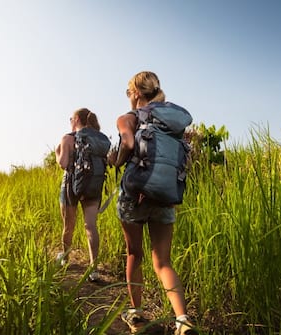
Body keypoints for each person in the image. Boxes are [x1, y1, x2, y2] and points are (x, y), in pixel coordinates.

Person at [107, 71, 198, 335]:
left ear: (135, 93)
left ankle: (136, 315)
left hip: (135, 195)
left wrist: (117, 160)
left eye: (128, 93)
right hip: (165, 195)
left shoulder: (129, 118)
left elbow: (127, 142)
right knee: (163, 262)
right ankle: (182, 319)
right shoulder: (171, 122)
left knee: (135, 254)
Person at [55, 107, 109, 282]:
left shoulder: (68, 138)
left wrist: (57, 154)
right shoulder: (97, 139)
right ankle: (94, 269)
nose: (70, 121)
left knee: (68, 225)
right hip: (93, 184)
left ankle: (65, 257)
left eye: (71, 118)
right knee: (91, 226)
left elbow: (63, 163)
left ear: (77, 119)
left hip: (71, 184)